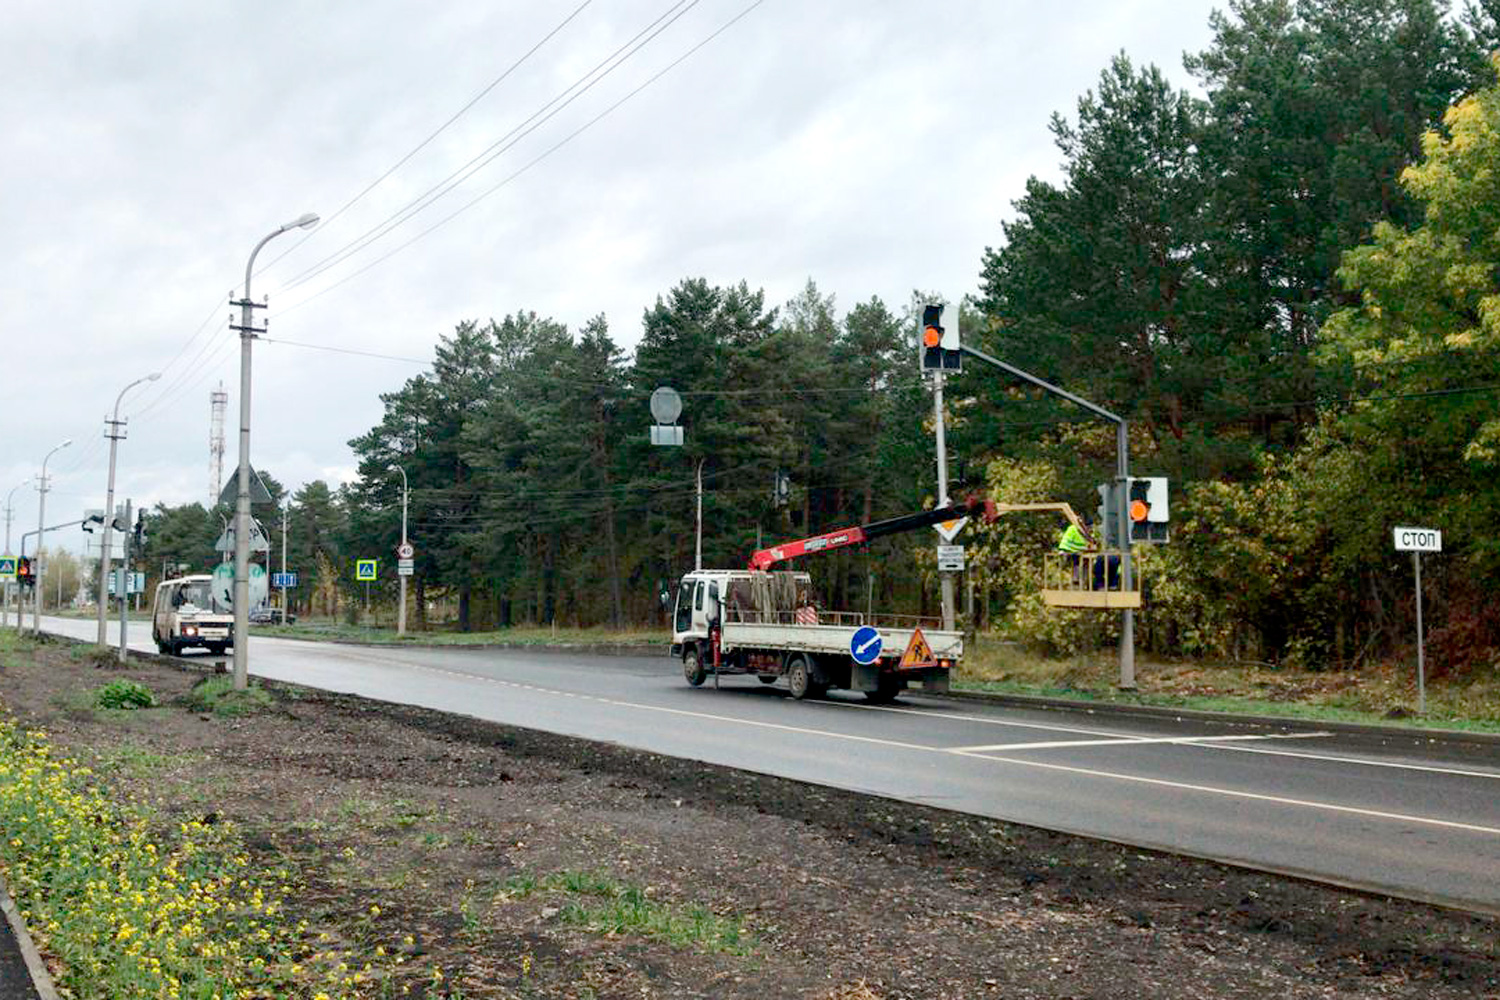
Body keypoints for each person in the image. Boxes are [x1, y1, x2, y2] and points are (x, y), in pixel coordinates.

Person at [1057, 515, 1096, 587]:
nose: (1090, 528)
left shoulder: (1090, 533)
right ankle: (1076, 578)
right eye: (1089, 526)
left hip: (1083, 553)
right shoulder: (1073, 529)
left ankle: (1084, 581)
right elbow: (1065, 541)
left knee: (1087, 563)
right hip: (1072, 552)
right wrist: (1062, 551)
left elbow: (1091, 543)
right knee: (1076, 561)